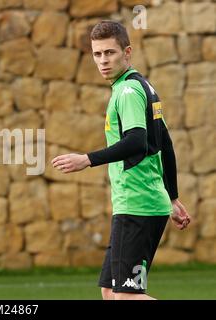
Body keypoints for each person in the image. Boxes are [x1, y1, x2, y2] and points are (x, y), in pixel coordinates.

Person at [52, 21, 191, 300]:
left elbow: (136, 141)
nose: (103, 61)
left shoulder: (127, 91)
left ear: (127, 52)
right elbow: (165, 143)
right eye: (97, 54)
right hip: (139, 203)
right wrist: (172, 198)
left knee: (126, 297)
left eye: (110, 53)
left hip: (137, 205)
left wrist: (87, 159)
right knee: (109, 291)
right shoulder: (142, 86)